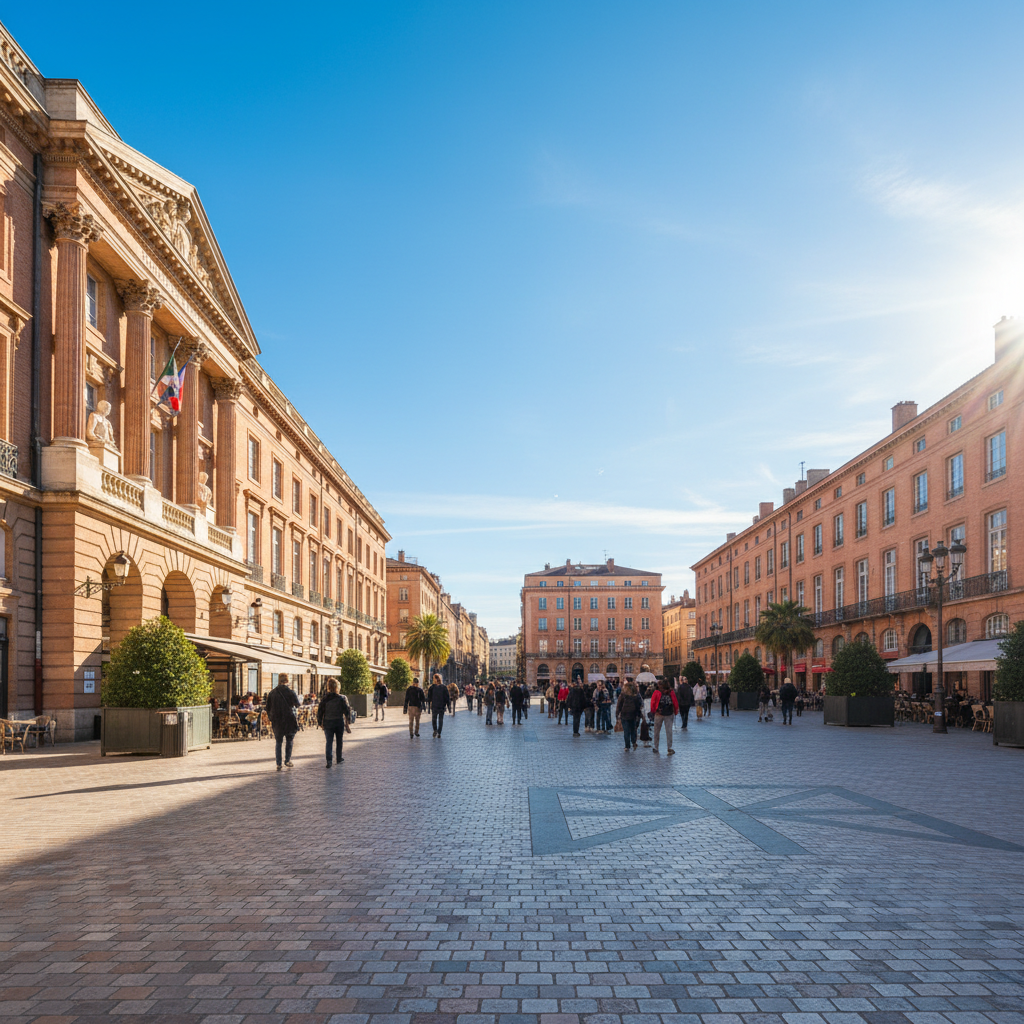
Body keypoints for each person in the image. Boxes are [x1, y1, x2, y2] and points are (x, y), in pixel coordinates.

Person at [265, 673, 301, 770]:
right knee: (289, 740)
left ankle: (278, 763)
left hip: (277, 721)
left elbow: (267, 708)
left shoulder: (272, 693)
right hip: (289, 719)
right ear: (287, 680)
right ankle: (287, 760)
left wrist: (271, 717)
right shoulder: (290, 692)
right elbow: (297, 705)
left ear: (279, 680)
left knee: (278, 742)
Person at [317, 679, 352, 767]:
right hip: (338, 721)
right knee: (339, 741)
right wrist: (348, 721)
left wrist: (320, 722)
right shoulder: (342, 698)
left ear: (328, 687)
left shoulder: (325, 699)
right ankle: (339, 758)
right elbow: (347, 711)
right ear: (337, 687)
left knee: (329, 741)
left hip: (328, 722)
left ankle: (329, 760)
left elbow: (320, 712)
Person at [650, 679, 678, 754]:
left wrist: (653, 712)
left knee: (661, 731)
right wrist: (675, 711)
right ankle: (664, 747)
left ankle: (661, 747)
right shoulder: (668, 692)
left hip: (663, 714)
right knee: (664, 731)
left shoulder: (660, 692)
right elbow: (675, 702)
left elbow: (653, 702)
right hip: (664, 714)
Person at [616, 680, 643, 750]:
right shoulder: (636, 695)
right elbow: (640, 704)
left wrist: (617, 714)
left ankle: (627, 746)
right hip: (634, 714)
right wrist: (639, 714)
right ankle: (634, 742)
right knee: (633, 729)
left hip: (624, 714)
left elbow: (619, 705)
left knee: (626, 731)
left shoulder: (622, 695)